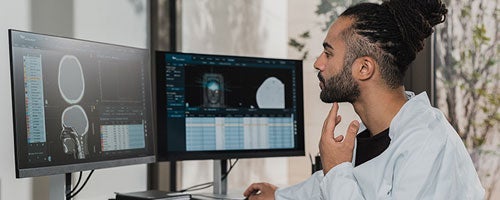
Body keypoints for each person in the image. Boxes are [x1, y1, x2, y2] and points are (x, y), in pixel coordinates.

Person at [243, 0, 485, 199]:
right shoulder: (373, 136)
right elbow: (335, 184)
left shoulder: (428, 145)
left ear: (364, 68)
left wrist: (337, 168)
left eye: (328, 53)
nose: (318, 63)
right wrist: (279, 195)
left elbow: (340, 178)